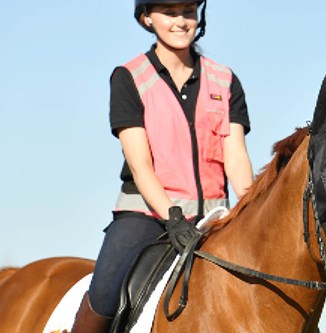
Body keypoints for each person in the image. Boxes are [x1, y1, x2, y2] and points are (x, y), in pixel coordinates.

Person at [69, 0, 253, 331]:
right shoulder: (129, 78)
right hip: (147, 215)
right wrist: (173, 216)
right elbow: (141, 167)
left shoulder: (225, 81)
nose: (181, 21)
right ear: (146, 18)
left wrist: (252, 209)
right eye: (169, 12)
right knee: (106, 292)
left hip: (214, 216)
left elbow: (236, 156)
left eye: (188, 11)